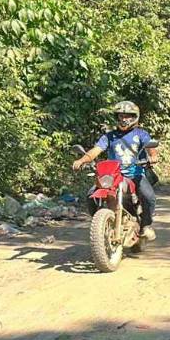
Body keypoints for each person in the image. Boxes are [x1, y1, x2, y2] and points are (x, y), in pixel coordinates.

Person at [72, 100, 159, 240]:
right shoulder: (109, 136)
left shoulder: (141, 134)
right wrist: (82, 160)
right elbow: (96, 150)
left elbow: (152, 150)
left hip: (135, 175)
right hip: (112, 176)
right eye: (121, 116)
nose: (124, 119)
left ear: (135, 117)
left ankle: (145, 226)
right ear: (116, 117)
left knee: (149, 197)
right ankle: (99, 227)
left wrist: (153, 157)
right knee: (90, 196)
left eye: (128, 116)